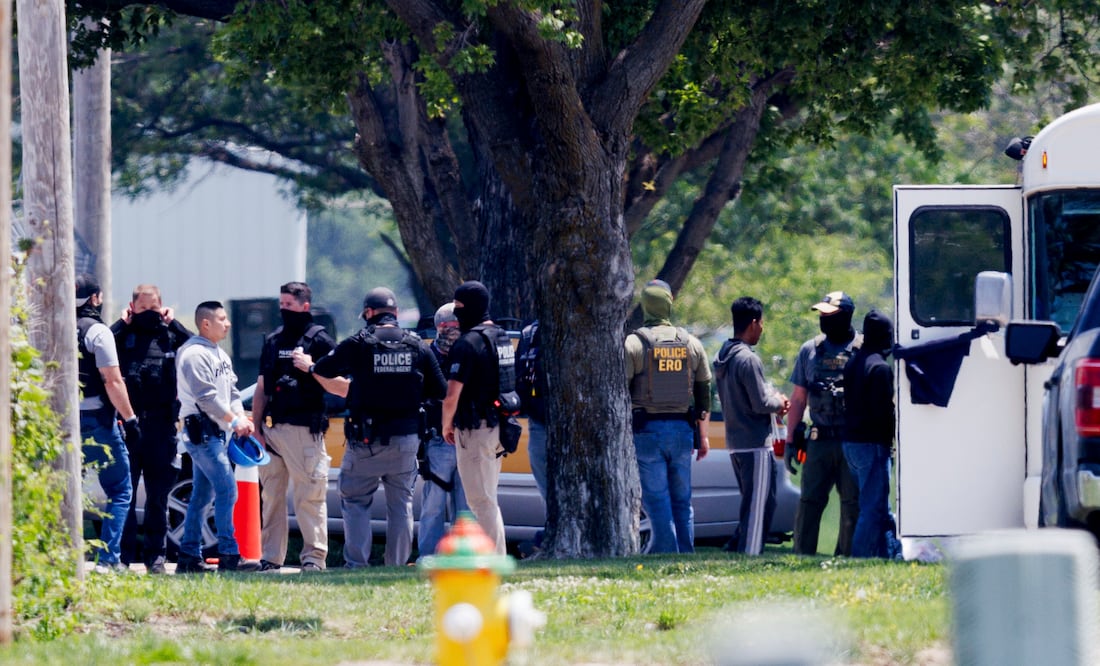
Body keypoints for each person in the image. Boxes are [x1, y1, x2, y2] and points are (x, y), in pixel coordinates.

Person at [295, 287, 446, 567]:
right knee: (401, 506)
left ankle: (357, 565)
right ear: (396, 314)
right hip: (406, 440)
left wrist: (310, 366)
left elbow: (326, 369)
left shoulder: (359, 343)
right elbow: (440, 389)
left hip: (366, 442)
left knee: (355, 502)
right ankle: (397, 566)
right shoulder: (417, 345)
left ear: (368, 313)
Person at [253, 282, 340, 572]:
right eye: (281, 305)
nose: (283, 310)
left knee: (310, 497)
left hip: (305, 432)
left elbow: (343, 387)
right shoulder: (274, 340)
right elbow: (262, 387)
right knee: (272, 497)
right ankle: (270, 558)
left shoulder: (321, 341)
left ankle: (313, 560)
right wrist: (256, 429)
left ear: (305, 306)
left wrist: (311, 368)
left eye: (288, 305)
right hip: (273, 431)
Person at [624, 279, 712, 554]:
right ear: (669, 303)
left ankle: (666, 553)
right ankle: (686, 553)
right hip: (682, 430)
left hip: (646, 430)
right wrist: (704, 436)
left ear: (646, 305)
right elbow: (703, 393)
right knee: (682, 500)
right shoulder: (692, 343)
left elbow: (621, 390)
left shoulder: (634, 344)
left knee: (656, 499)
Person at [111, 284, 193, 574]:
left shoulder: (170, 335)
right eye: (142, 308)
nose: (149, 314)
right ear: (133, 307)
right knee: (126, 495)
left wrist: (173, 322)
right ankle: (124, 555)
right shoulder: (123, 336)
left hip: (161, 428)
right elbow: (101, 344)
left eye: (153, 308)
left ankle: (155, 557)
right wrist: (123, 322)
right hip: (129, 427)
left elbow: (197, 347)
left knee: (158, 498)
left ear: (162, 306)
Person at [175, 301, 261, 573]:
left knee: (202, 495)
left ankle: (188, 555)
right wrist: (235, 421)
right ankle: (229, 553)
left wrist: (240, 417)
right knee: (227, 489)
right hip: (202, 433)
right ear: (206, 324)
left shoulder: (219, 354)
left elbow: (232, 392)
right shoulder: (193, 354)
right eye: (222, 319)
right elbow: (206, 398)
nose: (228, 323)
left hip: (217, 434)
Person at [784, 291, 861, 556]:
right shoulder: (810, 349)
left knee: (852, 503)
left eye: (830, 315)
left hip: (853, 442)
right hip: (818, 441)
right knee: (809, 501)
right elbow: (798, 399)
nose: (824, 320)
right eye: (822, 315)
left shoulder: (864, 349)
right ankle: (802, 556)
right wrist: (791, 440)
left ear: (846, 316)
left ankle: (847, 557)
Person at [713, 297, 790, 555]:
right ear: (754, 323)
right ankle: (750, 556)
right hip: (755, 443)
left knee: (760, 501)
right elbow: (759, 403)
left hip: (736, 442)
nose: (762, 328)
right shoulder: (747, 359)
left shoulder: (724, 354)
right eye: (762, 323)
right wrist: (779, 402)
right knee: (758, 506)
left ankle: (736, 547)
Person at [441, 281, 513, 555]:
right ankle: (495, 556)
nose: (456, 313)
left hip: (475, 429)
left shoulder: (467, 342)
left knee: (480, 501)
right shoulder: (502, 336)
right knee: (488, 499)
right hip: (499, 428)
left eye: (459, 307)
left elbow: (451, 396)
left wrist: (446, 425)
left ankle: (492, 561)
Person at [76, 274, 139, 572]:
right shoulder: (98, 332)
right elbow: (112, 381)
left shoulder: (54, 327)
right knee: (120, 490)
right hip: (97, 421)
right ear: (95, 299)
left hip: (60, 423)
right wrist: (130, 418)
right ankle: (109, 560)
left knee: (62, 489)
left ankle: (58, 557)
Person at [842, 309, 897, 558]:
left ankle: (890, 555)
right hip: (871, 445)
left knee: (877, 505)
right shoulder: (880, 369)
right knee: (872, 508)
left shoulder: (853, 362)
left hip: (851, 444)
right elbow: (883, 414)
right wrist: (892, 441)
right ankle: (860, 559)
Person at [416, 302, 469, 559]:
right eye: (451, 327)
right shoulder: (428, 356)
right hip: (438, 440)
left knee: (465, 507)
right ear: (440, 327)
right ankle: (429, 557)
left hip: (467, 437)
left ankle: (463, 558)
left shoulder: (469, 353)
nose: (455, 332)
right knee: (433, 505)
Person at [516, 319, 549, 506]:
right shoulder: (530, 335)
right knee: (545, 486)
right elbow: (519, 376)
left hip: (575, 427)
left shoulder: (580, 329)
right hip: (538, 423)